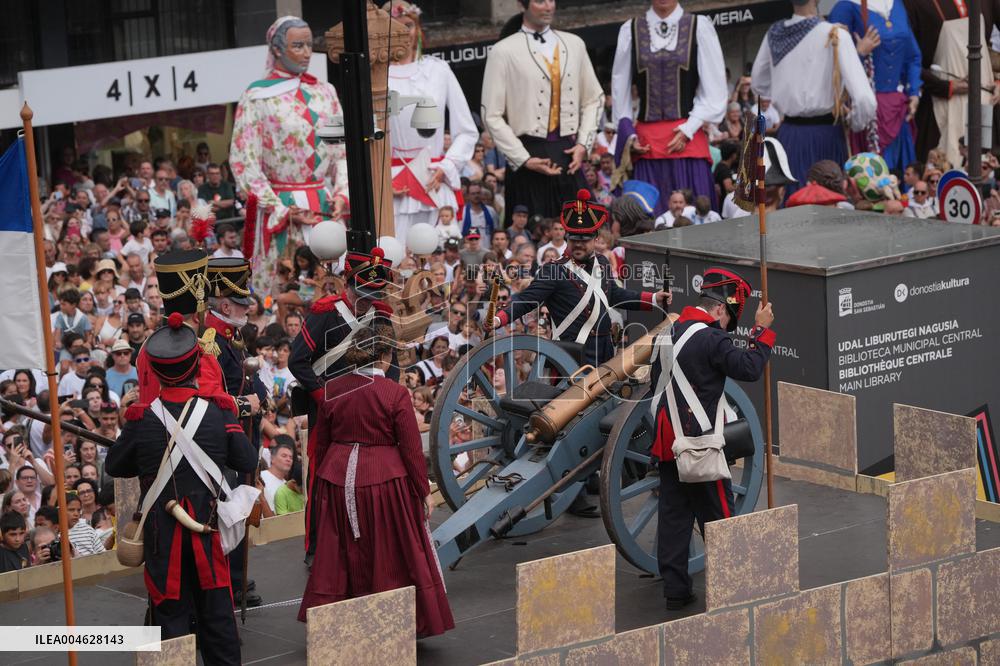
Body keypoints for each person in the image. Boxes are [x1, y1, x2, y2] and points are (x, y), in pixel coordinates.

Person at [106, 314, 256, 666]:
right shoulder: (219, 413)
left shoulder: (141, 419)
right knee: (218, 615)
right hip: (207, 527)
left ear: (155, 372)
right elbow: (245, 458)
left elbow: (115, 465)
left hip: (162, 534)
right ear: (195, 364)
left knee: (170, 616)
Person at [297, 326, 453, 638]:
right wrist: (424, 491)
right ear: (384, 357)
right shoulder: (394, 393)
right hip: (383, 483)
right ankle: (390, 620)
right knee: (389, 551)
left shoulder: (332, 389)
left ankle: (341, 619)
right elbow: (410, 449)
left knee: (340, 550)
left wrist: (327, 482)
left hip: (338, 481)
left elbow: (322, 445)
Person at [646, 267, 775, 610]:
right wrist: (761, 330)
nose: (727, 324)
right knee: (719, 519)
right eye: (729, 317)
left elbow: (655, 387)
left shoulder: (666, 334)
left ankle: (676, 592)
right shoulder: (712, 338)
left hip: (667, 442)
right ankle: (731, 588)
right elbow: (749, 368)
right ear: (721, 308)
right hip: (699, 444)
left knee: (674, 518)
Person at [288, 249, 395, 562]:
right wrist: (321, 395)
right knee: (322, 477)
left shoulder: (381, 316)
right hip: (329, 408)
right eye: (363, 294)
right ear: (348, 287)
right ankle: (316, 548)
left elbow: (393, 363)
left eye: (374, 294)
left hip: (366, 409)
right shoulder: (325, 312)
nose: (367, 301)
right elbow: (298, 361)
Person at [230, 15, 349, 293]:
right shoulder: (256, 97)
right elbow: (243, 161)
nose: (307, 52)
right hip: (282, 208)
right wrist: (279, 209)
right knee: (287, 290)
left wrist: (342, 195)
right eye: (298, 45)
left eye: (309, 45)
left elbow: (342, 153)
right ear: (277, 49)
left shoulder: (325, 92)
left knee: (334, 287)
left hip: (324, 206)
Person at [490, 189, 670, 366]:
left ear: (595, 239)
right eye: (574, 239)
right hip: (573, 357)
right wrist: (499, 319)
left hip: (605, 351)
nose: (578, 244)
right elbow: (526, 299)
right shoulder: (553, 270)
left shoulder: (602, 262)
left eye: (584, 240)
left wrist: (653, 298)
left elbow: (613, 295)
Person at [481, 0, 604, 218]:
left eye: (551, 0)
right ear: (522, 4)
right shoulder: (503, 51)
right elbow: (491, 114)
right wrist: (523, 158)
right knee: (531, 236)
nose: (548, 6)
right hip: (527, 152)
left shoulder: (575, 44)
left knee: (584, 229)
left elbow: (594, 98)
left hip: (568, 152)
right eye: (539, 1)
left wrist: (583, 144)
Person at [611, 0, 728, 214]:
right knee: (648, 218)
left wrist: (689, 128)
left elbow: (715, 91)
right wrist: (628, 134)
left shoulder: (699, 26)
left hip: (688, 139)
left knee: (693, 217)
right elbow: (620, 87)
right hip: (646, 145)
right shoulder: (630, 29)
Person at [751, 0, 877, 198]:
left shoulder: (774, 34)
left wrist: (785, 93)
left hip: (789, 135)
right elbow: (865, 100)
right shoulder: (835, 34)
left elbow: (759, 84)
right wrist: (853, 122)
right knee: (830, 207)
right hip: (826, 134)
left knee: (793, 205)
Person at [203, 257, 268, 608]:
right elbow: (211, 393)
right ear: (226, 304)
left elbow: (244, 374)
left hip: (243, 434)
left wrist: (262, 396)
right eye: (241, 304)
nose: (247, 309)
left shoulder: (231, 331)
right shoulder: (211, 338)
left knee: (241, 506)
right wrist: (248, 405)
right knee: (229, 509)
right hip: (226, 437)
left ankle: (237, 577)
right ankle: (228, 580)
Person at [384, 0, 477, 243]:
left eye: (407, 26)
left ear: (418, 29)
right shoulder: (373, 77)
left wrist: (446, 167)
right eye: (394, 27)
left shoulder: (439, 70)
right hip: (393, 188)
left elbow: (466, 131)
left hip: (434, 181)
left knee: (437, 261)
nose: (403, 33)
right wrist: (381, 179)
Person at [828, 0, 921, 173]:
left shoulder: (897, 5)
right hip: (865, 114)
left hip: (897, 110)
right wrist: (858, 53)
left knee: (901, 178)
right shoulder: (846, 7)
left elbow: (913, 55)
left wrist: (914, 92)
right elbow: (831, 64)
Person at [904, 0, 1000, 167]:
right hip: (941, 103)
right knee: (947, 174)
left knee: (985, 169)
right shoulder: (912, 3)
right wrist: (944, 86)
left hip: (986, 100)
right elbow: (905, 61)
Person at [260, 437, 294, 511]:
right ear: (272, 458)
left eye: (291, 457)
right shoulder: (261, 477)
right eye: (284, 456)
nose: (288, 459)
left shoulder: (288, 485)